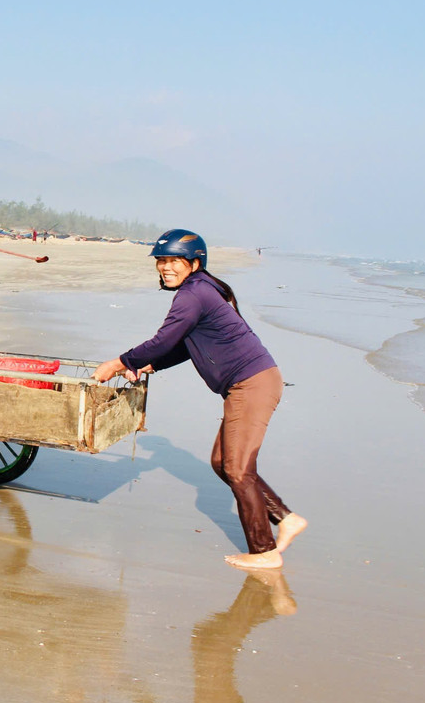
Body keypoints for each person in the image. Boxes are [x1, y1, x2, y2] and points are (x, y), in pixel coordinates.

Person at [92, 228, 307, 570]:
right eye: (161, 261)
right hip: (248, 385)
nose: (165, 268)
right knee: (223, 463)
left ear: (194, 263)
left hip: (252, 385)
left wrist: (119, 362)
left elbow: (164, 339)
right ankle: (286, 518)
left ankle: (264, 551)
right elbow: (182, 346)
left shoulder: (193, 295)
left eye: (174, 260)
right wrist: (150, 364)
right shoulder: (203, 290)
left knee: (237, 469)